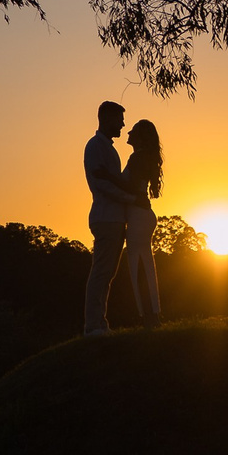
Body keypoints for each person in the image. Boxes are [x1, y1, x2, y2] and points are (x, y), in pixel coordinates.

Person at [81, 99, 132, 336]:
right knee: (101, 272)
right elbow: (100, 184)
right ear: (107, 118)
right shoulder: (95, 146)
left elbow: (112, 181)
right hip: (106, 217)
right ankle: (93, 325)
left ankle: (100, 323)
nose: (122, 125)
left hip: (114, 218)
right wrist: (129, 198)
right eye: (119, 120)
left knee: (107, 274)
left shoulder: (107, 148)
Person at [120, 118, 163, 327]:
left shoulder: (137, 157)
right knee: (144, 265)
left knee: (139, 266)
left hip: (138, 216)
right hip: (142, 215)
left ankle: (149, 316)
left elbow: (129, 187)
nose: (128, 133)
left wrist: (107, 177)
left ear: (140, 136)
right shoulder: (143, 157)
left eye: (133, 131)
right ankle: (151, 315)